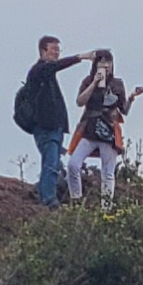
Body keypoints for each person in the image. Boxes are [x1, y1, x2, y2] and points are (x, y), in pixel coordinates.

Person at [13, 35, 92, 205]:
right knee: (51, 164)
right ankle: (48, 200)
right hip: (45, 128)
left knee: (55, 165)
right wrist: (80, 57)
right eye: (53, 49)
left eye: (58, 50)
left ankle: (47, 195)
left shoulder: (48, 75)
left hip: (55, 128)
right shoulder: (39, 71)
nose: (56, 53)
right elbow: (55, 67)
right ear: (43, 51)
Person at [66, 48, 143, 207]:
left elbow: (124, 110)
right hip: (89, 130)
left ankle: (106, 208)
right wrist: (94, 83)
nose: (106, 66)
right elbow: (80, 102)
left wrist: (131, 98)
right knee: (73, 164)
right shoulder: (88, 81)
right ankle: (76, 200)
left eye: (108, 62)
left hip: (108, 132)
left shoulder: (117, 84)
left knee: (108, 173)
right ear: (95, 65)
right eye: (102, 63)